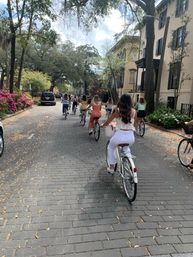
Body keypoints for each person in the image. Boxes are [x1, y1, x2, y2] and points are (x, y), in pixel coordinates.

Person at [101, 94, 137, 174]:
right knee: (126, 148)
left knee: (110, 147)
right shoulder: (134, 111)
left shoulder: (117, 110)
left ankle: (112, 166)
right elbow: (135, 124)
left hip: (119, 135)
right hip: (130, 137)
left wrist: (103, 125)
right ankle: (131, 163)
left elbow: (108, 121)